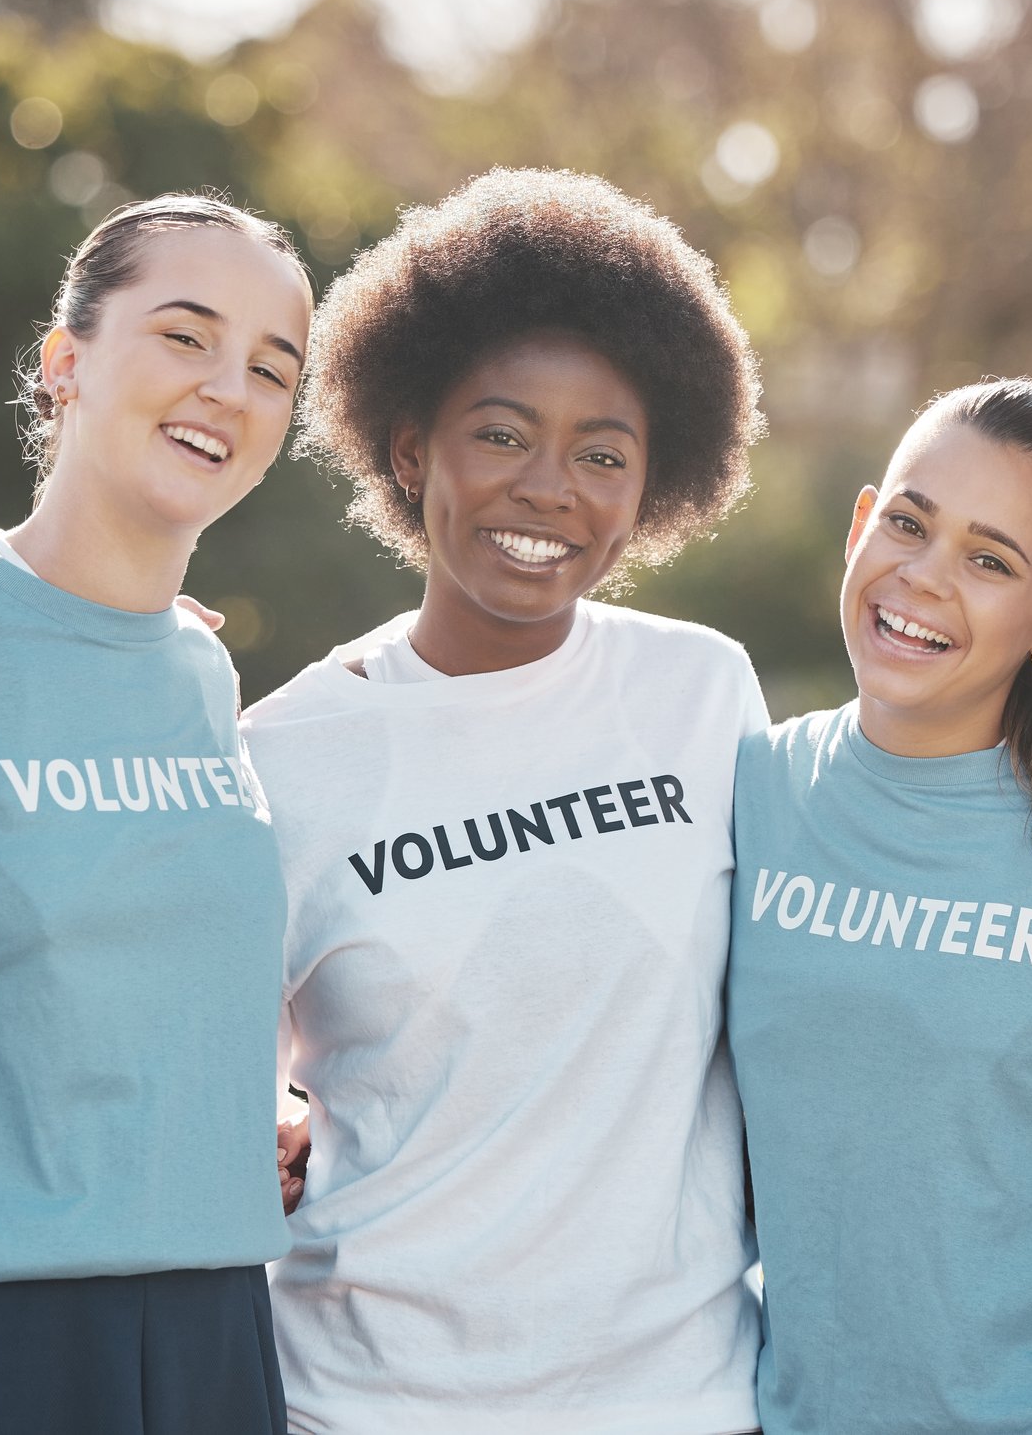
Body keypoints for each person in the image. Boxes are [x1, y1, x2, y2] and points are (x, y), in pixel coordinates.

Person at [244, 166, 768, 1435]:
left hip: (676, 1400)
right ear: (412, 446)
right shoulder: (281, 752)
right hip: (369, 1403)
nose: (550, 487)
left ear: (653, 488)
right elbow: (211, 1071)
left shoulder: (703, 693)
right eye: (500, 434)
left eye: (603, 454)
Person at [0, 193, 310, 1435]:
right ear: (66, 363)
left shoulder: (205, 673)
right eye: (186, 336)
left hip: (214, 1335)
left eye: (273, 368)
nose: (229, 388)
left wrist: (227, 1104)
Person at [726, 379, 1032, 1434]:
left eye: (991, 560)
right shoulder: (749, 793)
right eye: (909, 523)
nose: (924, 576)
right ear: (862, 526)